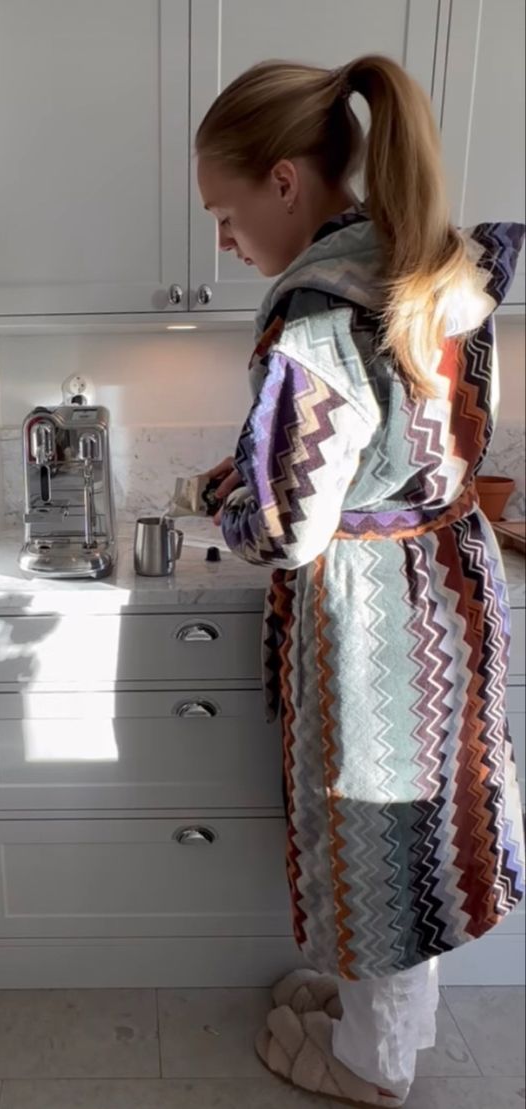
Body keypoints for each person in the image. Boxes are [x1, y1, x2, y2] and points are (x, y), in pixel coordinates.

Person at [196, 54, 525, 1106]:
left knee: (378, 833)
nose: (223, 237)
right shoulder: (428, 257)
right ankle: (390, 1018)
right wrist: (252, 465)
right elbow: (379, 450)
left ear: (284, 181)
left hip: (378, 616)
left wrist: (228, 502)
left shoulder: (316, 314)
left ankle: (369, 1066)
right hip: (449, 576)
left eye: (226, 208)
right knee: (420, 829)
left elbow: (285, 527)